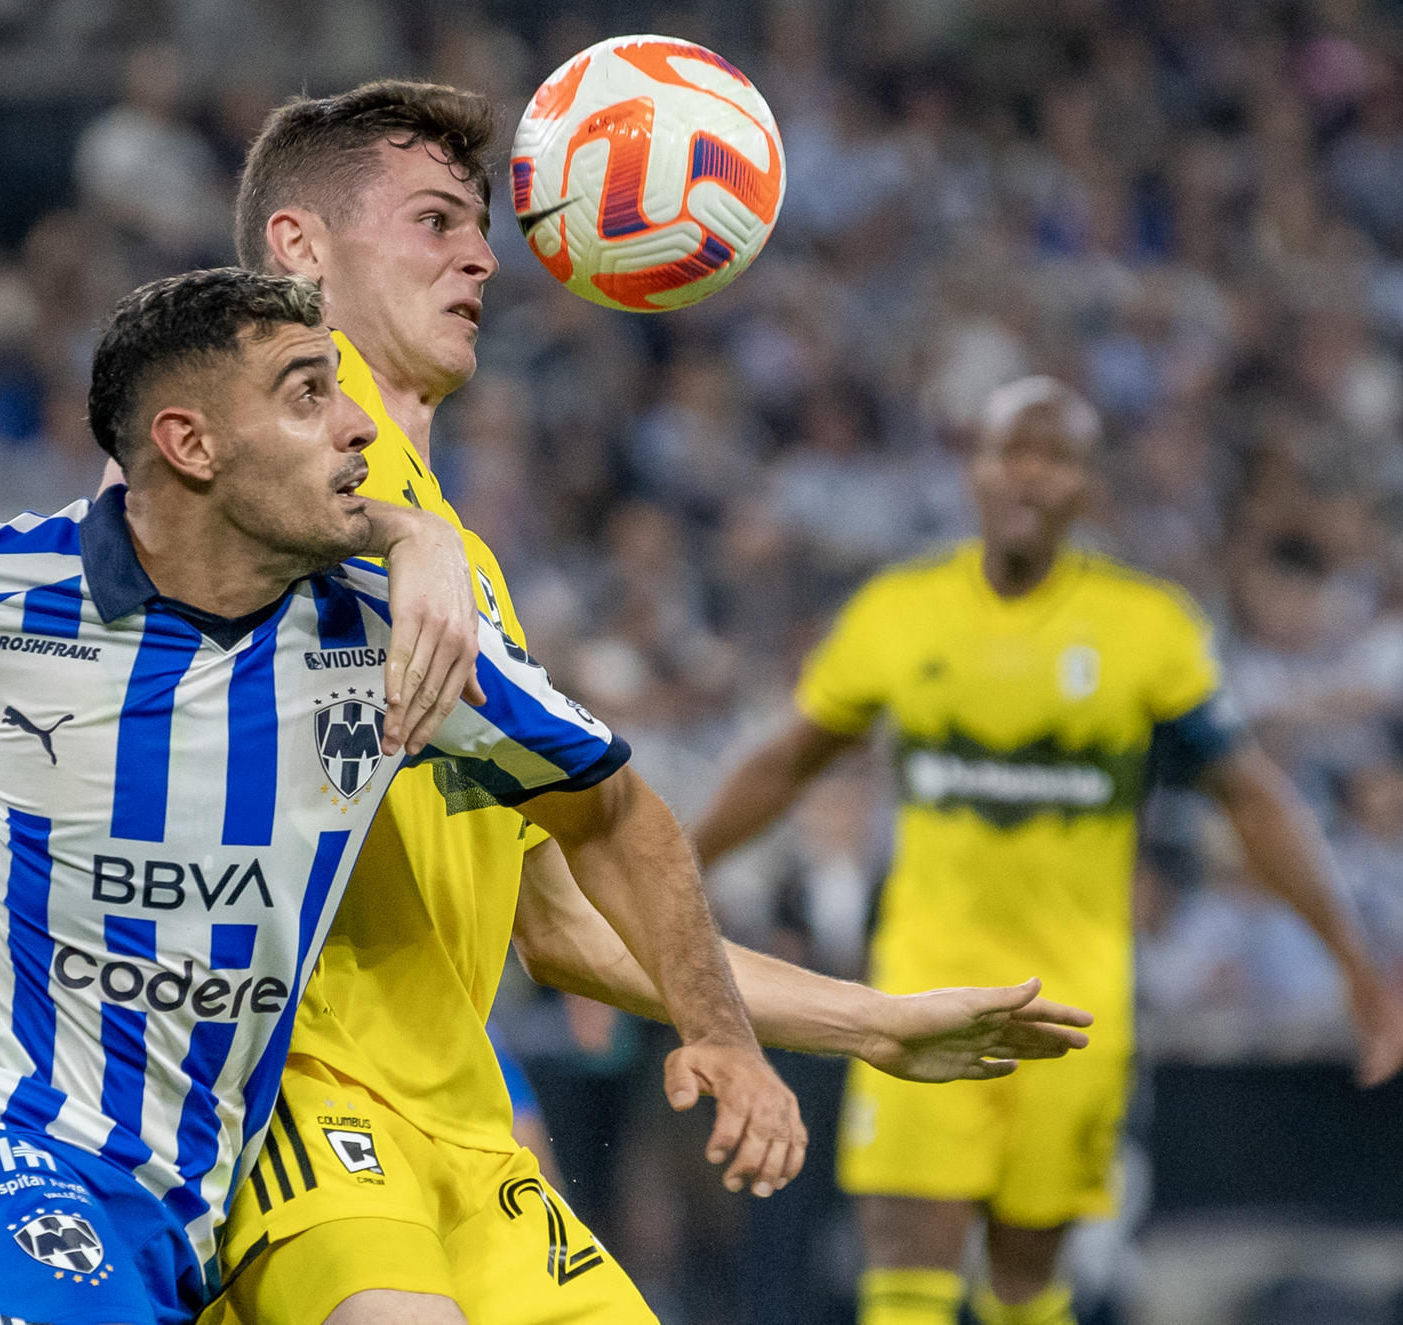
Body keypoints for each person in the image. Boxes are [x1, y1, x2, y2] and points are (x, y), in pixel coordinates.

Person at [0, 267, 796, 1325]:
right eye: (309, 393)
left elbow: (616, 809)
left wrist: (722, 1032)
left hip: (182, 1213)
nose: (355, 423)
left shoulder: (390, 640)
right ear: (189, 442)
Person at [185, 82, 1094, 1325]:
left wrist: (872, 1021)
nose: (482, 259)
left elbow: (564, 923)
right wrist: (391, 530)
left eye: (483, 230)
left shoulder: (469, 568)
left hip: (468, 1128)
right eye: (436, 222)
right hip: (299, 1101)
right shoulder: (258, 464)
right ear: (300, 247)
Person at [693, 375, 1403, 1325]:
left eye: (1057, 455)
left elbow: (1254, 797)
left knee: (1028, 1280)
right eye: (1009, 450)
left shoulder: (1145, 627)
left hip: (1074, 1009)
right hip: (919, 994)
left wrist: (1353, 957)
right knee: (905, 1255)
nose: (1030, 474)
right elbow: (784, 764)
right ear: (972, 468)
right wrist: (664, 872)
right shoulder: (899, 614)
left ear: (1087, 483)